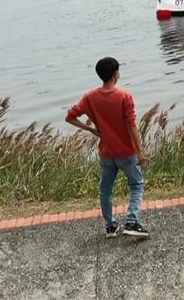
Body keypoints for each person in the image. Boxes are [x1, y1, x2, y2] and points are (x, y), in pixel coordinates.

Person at [65, 57, 149, 238]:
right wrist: (140, 152)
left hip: (106, 152)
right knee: (136, 185)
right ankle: (132, 221)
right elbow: (131, 126)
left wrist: (92, 130)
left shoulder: (89, 97)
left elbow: (70, 117)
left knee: (105, 189)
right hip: (126, 151)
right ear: (115, 74)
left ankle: (111, 226)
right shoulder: (124, 96)